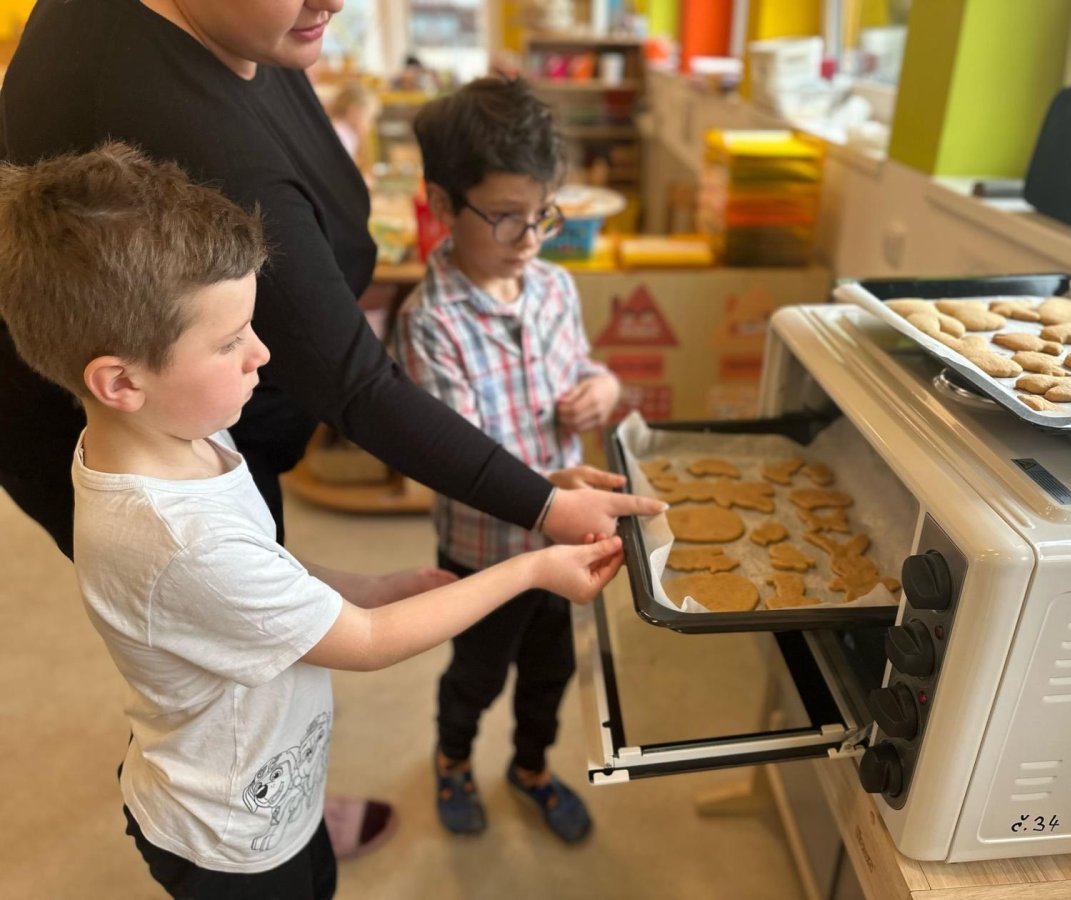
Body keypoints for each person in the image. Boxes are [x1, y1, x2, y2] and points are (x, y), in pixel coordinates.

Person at [0, 0, 663, 857]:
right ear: (125, 379)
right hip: (229, 840)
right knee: (241, 695)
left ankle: (290, 801)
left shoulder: (202, 456)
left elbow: (265, 577)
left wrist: (354, 587)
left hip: (202, 469)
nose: (335, 2)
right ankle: (276, 822)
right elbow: (349, 616)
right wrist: (535, 543)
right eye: (236, 339)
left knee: (265, 675)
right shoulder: (173, 509)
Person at [396, 77, 621, 843]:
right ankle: (453, 761)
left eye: (543, 214)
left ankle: (530, 768)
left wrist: (601, 387)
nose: (529, 237)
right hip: (483, 552)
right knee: (478, 673)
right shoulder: (430, 323)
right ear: (441, 203)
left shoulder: (554, 288)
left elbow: (582, 364)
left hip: (565, 542)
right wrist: (552, 486)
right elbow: (460, 457)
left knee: (551, 671)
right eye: (505, 216)